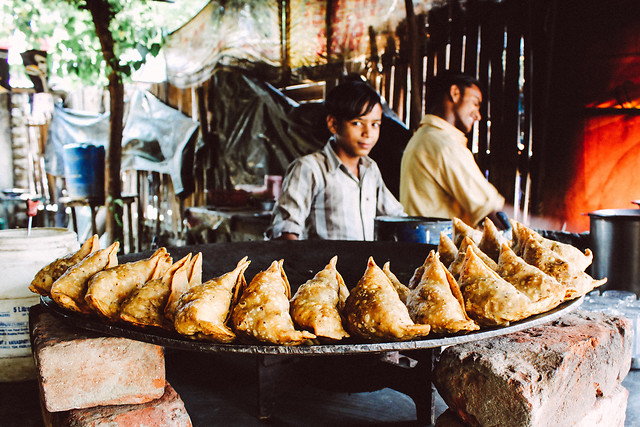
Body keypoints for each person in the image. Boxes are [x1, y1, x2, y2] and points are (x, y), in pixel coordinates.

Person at [268, 79, 405, 240]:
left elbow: (397, 217)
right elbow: (285, 229)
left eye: (375, 124)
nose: (368, 133)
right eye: (357, 123)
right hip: (321, 265)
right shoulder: (310, 168)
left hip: (362, 265)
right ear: (333, 124)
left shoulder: (370, 169)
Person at [399, 72, 510, 229]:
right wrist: (545, 227)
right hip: (438, 247)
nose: (478, 115)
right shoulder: (443, 144)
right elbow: (493, 212)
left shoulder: (424, 137)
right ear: (455, 93)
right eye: (475, 103)